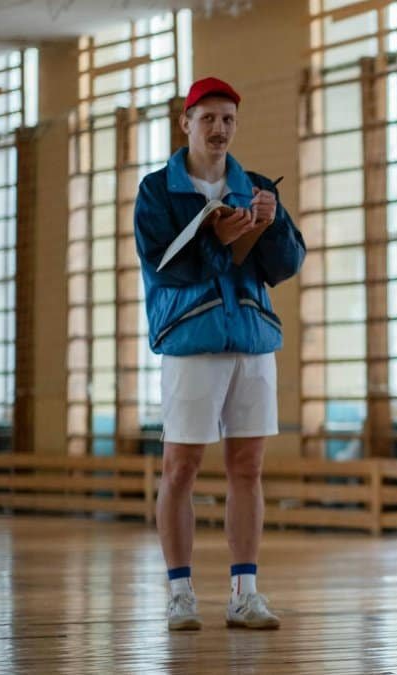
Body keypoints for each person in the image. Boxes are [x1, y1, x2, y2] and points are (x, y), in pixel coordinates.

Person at [134, 77, 305, 631]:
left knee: (248, 468)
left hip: (252, 340)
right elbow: (167, 267)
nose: (219, 128)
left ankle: (244, 592)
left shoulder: (252, 185)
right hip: (191, 342)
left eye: (228, 119)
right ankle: (180, 593)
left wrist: (272, 224)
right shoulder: (157, 191)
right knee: (180, 468)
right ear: (185, 123)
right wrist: (219, 241)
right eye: (208, 118)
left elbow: (284, 266)